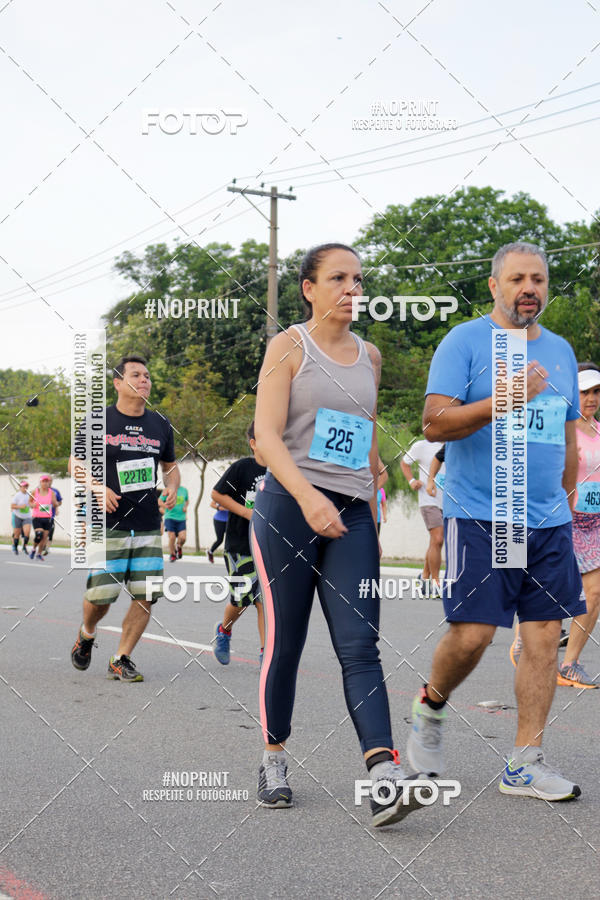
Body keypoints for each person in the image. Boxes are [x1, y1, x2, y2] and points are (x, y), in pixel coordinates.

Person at [250, 242, 431, 827]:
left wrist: (371, 513)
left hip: (350, 514)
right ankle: (274, 756)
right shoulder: (287, 347)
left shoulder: (370, 355)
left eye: (358, 279)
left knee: (359, 644)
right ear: (309, 288)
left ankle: (383, 774)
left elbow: (367, 438)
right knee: (286, 644)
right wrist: (308, 497)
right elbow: (267, 437)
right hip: (287, 508)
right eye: (338, 279)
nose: (352, 289)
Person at [408, 241, 586, 802]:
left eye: (537, 278)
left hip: (548, 522)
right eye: (516, 279)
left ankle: (525, 762)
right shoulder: (464, 341)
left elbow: (563, 434)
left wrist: (564, 498)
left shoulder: (559, 350)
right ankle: (431, 706)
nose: (527, 288)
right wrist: (506, 396)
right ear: (494, 285)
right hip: (483, 515)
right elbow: (434, 424)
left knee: (543, 640)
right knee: (475, 634)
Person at [70, 355, 180, 682]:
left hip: (148, 522)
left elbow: (170, 467)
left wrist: (173, 487)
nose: (144, 380)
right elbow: (75, 464)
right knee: (101, 595)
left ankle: (121, 658)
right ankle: (87, 632)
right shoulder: (97, 421)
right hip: (109, 523)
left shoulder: (160, 424)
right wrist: (97, 486)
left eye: (147, 375)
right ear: (118, 383)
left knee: (146, 594)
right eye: (136, 374)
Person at [555, 364, 600, 687]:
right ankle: (526, 639)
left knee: (595, 592)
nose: (591, 398)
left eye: (596, 392)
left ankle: (569, 663)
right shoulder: (562, 429)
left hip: (595, 521)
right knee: (557, 588)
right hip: (565, 519)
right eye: (585, 392)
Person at [211, 422, 267, 666]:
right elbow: (217, 495)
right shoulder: (242, 468)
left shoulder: (281, 470)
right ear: (253, 443)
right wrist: (247, 513)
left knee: (264, 600)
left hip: (269, 545)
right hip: (239, 545)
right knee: (242, 599)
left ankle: (267, 653)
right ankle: (224, 630)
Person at [401, 438, 444, 584]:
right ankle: (436, 582)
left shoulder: (455, 444)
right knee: (438, 538)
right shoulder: (422, 445)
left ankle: (424, 576)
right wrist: (412, 481)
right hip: (428, 499)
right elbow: (404, 463)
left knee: (435, 541)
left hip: (449, 501)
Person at [29, 475, 58, 560]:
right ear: (40, 482)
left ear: (49, 483)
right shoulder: (35, 491)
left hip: (47, 518)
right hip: (37, 517)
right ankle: (33, 549)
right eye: (43, 481)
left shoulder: (51, 492)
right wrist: (32, 505)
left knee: (44, 538)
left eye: (47, 481)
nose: (45, 483)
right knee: (39, 535)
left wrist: (55, 504)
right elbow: (29, 502)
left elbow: (55, 503)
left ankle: (39, 554)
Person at [161, 485, 188, 562]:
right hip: (170, 517)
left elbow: (187, 501)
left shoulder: (184, 490)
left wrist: (185, 507)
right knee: (172, 537)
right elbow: (159, 501)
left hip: (181, 518)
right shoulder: (167, 490)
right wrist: (166, 506)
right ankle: (172, 554)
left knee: (183, 538)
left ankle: (179, 546)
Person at [11, 479, 32, 555]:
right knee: (17, 533)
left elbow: (32, 504)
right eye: (23, 486)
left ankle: (24, 547)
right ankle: (15, 547)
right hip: (18, 516)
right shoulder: (17, 495)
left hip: (27, 517)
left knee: (27, 533)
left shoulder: (29, 495)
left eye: (26, 486)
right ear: (20, 487)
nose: (25, 488)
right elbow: (12, 506)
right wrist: (20, 507)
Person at [43, 475, 63, 555]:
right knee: (42, 532)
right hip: (41, 515)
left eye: (50, 480)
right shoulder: (40, 490)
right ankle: (43, 546)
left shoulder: (55, 491)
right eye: (47, 480)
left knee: (50, 531)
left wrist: (57, 505)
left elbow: (59, 501)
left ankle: (47, 548)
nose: (49, 482)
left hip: (51, 515)